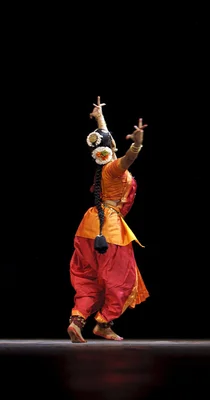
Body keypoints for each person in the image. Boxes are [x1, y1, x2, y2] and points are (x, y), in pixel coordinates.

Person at [67, 97, 150, 343]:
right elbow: (128, 159)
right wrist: (137, 145)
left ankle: (77, 320)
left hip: (88, 228)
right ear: (110, 148)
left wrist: (99, 117)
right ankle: (103, 323)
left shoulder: (101, 165)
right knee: (120, 278)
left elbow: (105, 137)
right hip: (109, 229)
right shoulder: (113, 168)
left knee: (90, 277)